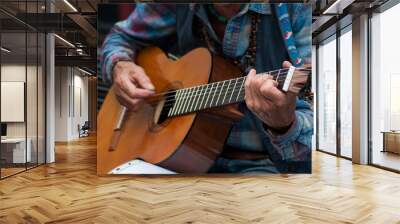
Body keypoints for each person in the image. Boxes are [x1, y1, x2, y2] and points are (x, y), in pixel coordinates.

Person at [100, 3, 313, 173]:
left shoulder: (299, 10)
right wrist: (120, 64)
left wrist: (284, 124)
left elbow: (313, 149)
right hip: (180, 162)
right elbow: (120, 37)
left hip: (261, 166)